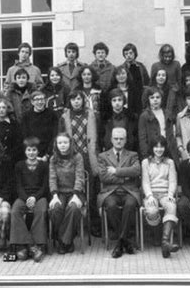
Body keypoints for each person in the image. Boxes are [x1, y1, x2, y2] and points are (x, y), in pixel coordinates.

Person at [58, 90, 100, 237]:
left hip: (88, 156)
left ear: (83, 100)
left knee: (91, 192)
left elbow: (97, 137)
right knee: (73, 189)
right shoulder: (64, 117)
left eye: (79, 99)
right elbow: (61, 137)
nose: (76, 101)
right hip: (72, 157)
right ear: (69, 102)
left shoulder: (90, 115)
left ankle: (93, 225)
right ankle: (74, 225)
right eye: (73, 99)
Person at [97, 127, 141, 258]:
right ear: (111, 139)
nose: (118, 141)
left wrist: (116, 171)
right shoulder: (103, 156)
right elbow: (103, 177)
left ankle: (119, 243)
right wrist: (126, 176)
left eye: (121, 139)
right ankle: (126, 242)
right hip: (110, 191)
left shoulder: (133, 155)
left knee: (130, 205)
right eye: (116, 138)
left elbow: (136, 171)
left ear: (126, 140)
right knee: (110, 206)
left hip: (129, 191)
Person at [8, 137, 49, 262]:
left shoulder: (43, 165)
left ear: (38, 151)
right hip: (23, 196)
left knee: (41, 211)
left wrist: (35, 198)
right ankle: (27, 246)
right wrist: (26, 198)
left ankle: (39, 245)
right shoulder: (19, 165)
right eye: (29, 150)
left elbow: (45, 186)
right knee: (15, 210)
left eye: (34, 150)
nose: (31, 152)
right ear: (25, 151)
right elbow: (18, 186)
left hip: (39, 196)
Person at [141, 135, 180, 258]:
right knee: (152, 211)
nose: (159, 149)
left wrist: (170, 194)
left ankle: (165, 242)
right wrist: (149, 196)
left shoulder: (170, 162)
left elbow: (173, 181)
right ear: (152, 148)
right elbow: (145, 182)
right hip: (151, 194)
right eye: (156, 147)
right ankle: (157, 235)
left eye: (161, 146)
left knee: (171, 207)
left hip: (165, 194)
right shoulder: (145, 162)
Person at [48, 133, 85, 254]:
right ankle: (66, 241)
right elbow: (52, 178)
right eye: (60, 143)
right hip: (59, 193)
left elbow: (80, 176)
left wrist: (76, 195)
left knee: (74, 208)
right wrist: (54, 195)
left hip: (75, 192)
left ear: (70, 143)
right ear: (56, 145)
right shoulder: (53, 159)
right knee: (55, 208)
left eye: (65, 142)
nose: (62, 145)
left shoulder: (77, 157)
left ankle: (64, 242)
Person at [138, 86, 178, 162]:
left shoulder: (167, 113)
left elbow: (171, 133)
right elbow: (142, 138)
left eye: (157, 97)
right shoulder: (144, 116)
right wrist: (146, 155)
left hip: (168, 149)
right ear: (148, 99)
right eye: (152, 98)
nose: (155, 100)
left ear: (161, 99)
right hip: (153, 151)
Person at [22, 90, 58, 162]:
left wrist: (47, 155)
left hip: (49, 153)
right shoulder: (26, 116)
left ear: (45, 101)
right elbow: (25, 136)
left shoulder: (52, 115)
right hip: (32, 153)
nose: (40, 102)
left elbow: (55, 135)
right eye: (37, 100)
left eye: (42, 99)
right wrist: (34, 154)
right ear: (32, 102)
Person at [100, 88, 138, 152]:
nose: (117, 103)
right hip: (110, 153)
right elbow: (101, 137)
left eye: (119, 100)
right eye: (114, 100)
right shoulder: (105, 118)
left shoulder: (132, 117)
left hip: (128, 152)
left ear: (124, 101)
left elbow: (135, 137)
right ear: (110, 102)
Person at [0, 98, 23, 164]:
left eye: (4, 107)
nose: (1, 110)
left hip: (11, 159)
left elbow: (19, 143)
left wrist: (9, 156)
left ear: (7, 109)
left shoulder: (14, 124)